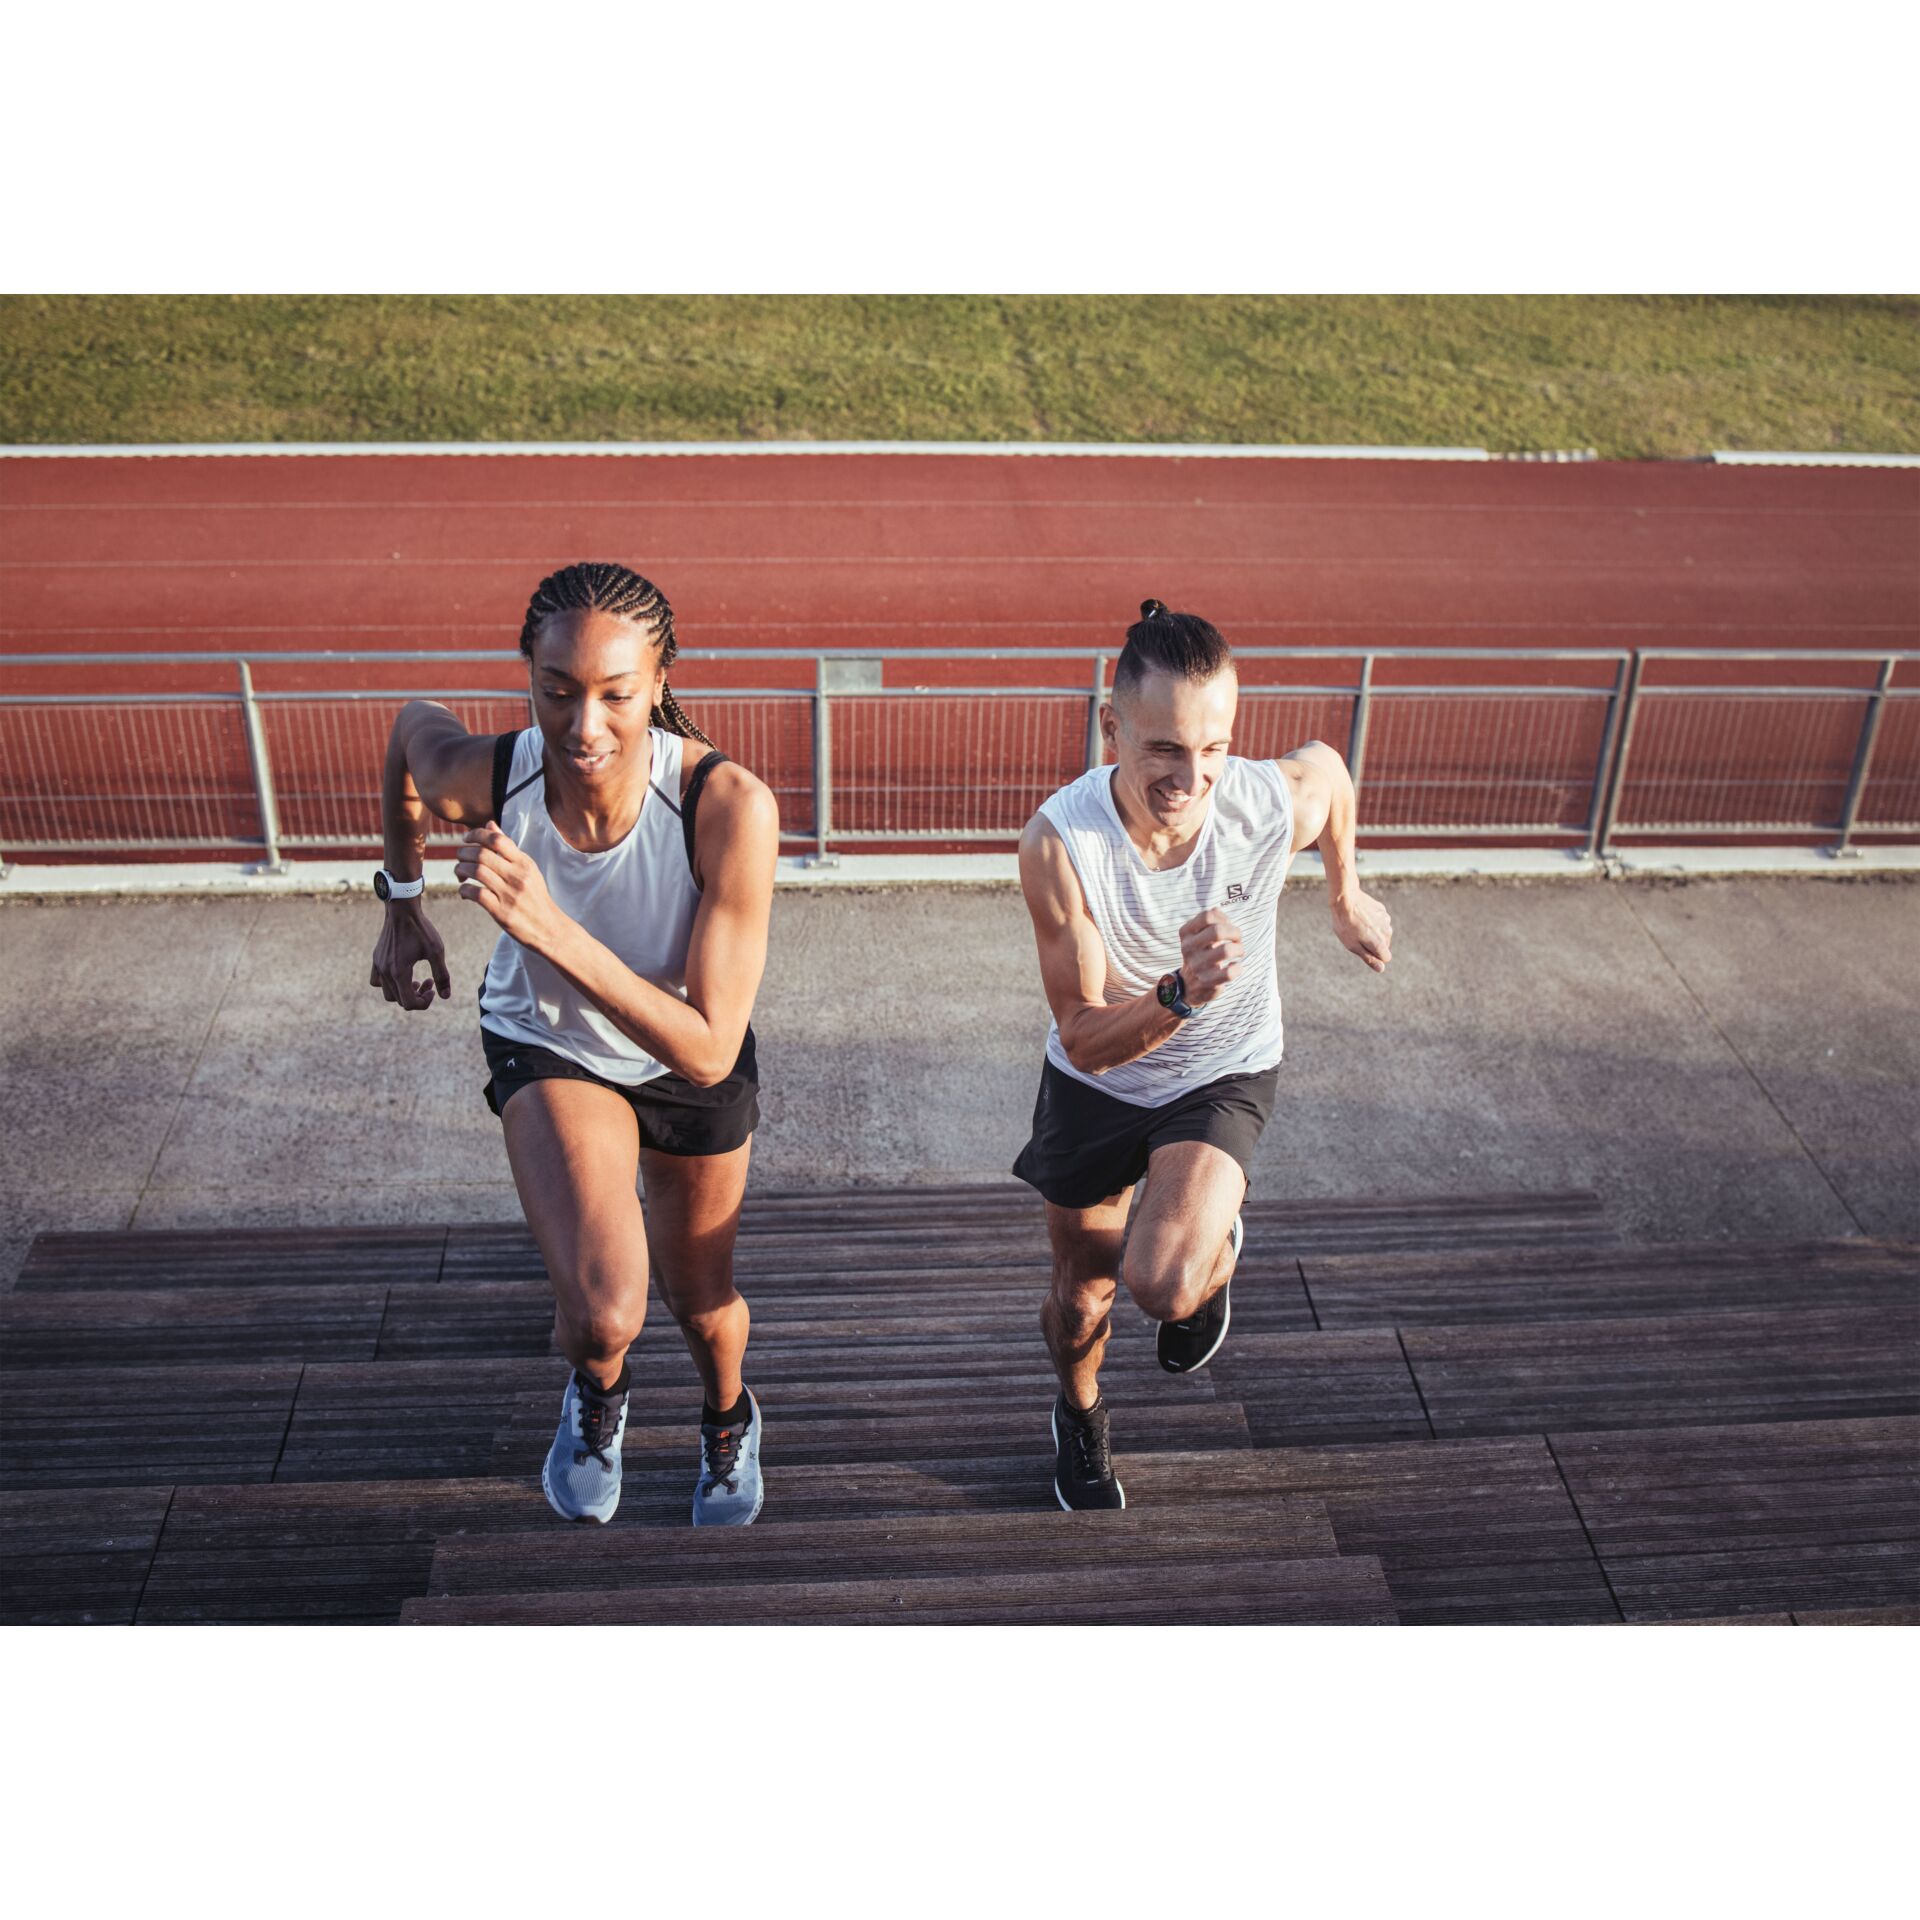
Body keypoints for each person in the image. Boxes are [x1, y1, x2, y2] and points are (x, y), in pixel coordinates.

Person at [369, 562, 779, 1526]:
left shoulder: (726, 806)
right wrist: (400, 901)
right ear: (528, 677)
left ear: (662, 685)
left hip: (682, 1052)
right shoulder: (491, 776)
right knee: (603, 1313)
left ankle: (728, 1415)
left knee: (703, 1302)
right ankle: (598, 1396)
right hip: (549, 1043)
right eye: (556, 691)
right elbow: (407, 732)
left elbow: (711, 1051)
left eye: (615, 695)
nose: (582, 725)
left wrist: (551, 928)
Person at [1014, 599, 1393, 1510]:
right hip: (1101, 1079)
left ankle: (1210, 1251)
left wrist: (1345, 893)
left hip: (1223, 1069)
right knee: (1082, 1296)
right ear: (1113, 728)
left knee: (1161, 1281)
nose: (1193, 777)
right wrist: (1176, 995)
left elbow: (1329, 775)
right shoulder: (1061, 846)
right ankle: (1080, 1411)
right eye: (1165, 750)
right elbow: (1084, 1039)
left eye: (1214, 749)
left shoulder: (1260, 803)